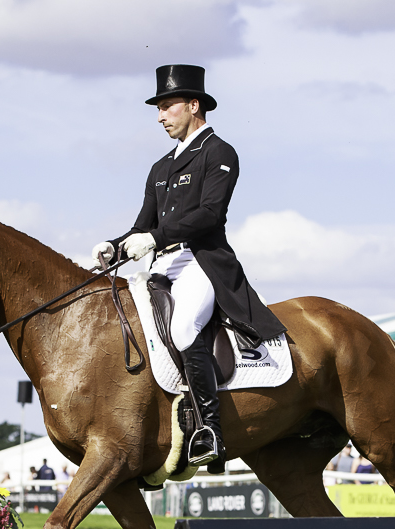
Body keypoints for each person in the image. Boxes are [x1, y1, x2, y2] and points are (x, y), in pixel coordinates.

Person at [93, 65, 286, 471]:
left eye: (167, 106)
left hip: (202, 261)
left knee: (183, 328)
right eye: (159, 108)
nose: (160, 116)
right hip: (163, 265)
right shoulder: (160, 168)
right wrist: (115, 246)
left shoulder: (219, 152)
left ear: (193, 105)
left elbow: (210, 214)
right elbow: (142, 225)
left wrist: (155, 238)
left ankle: (209, 429)